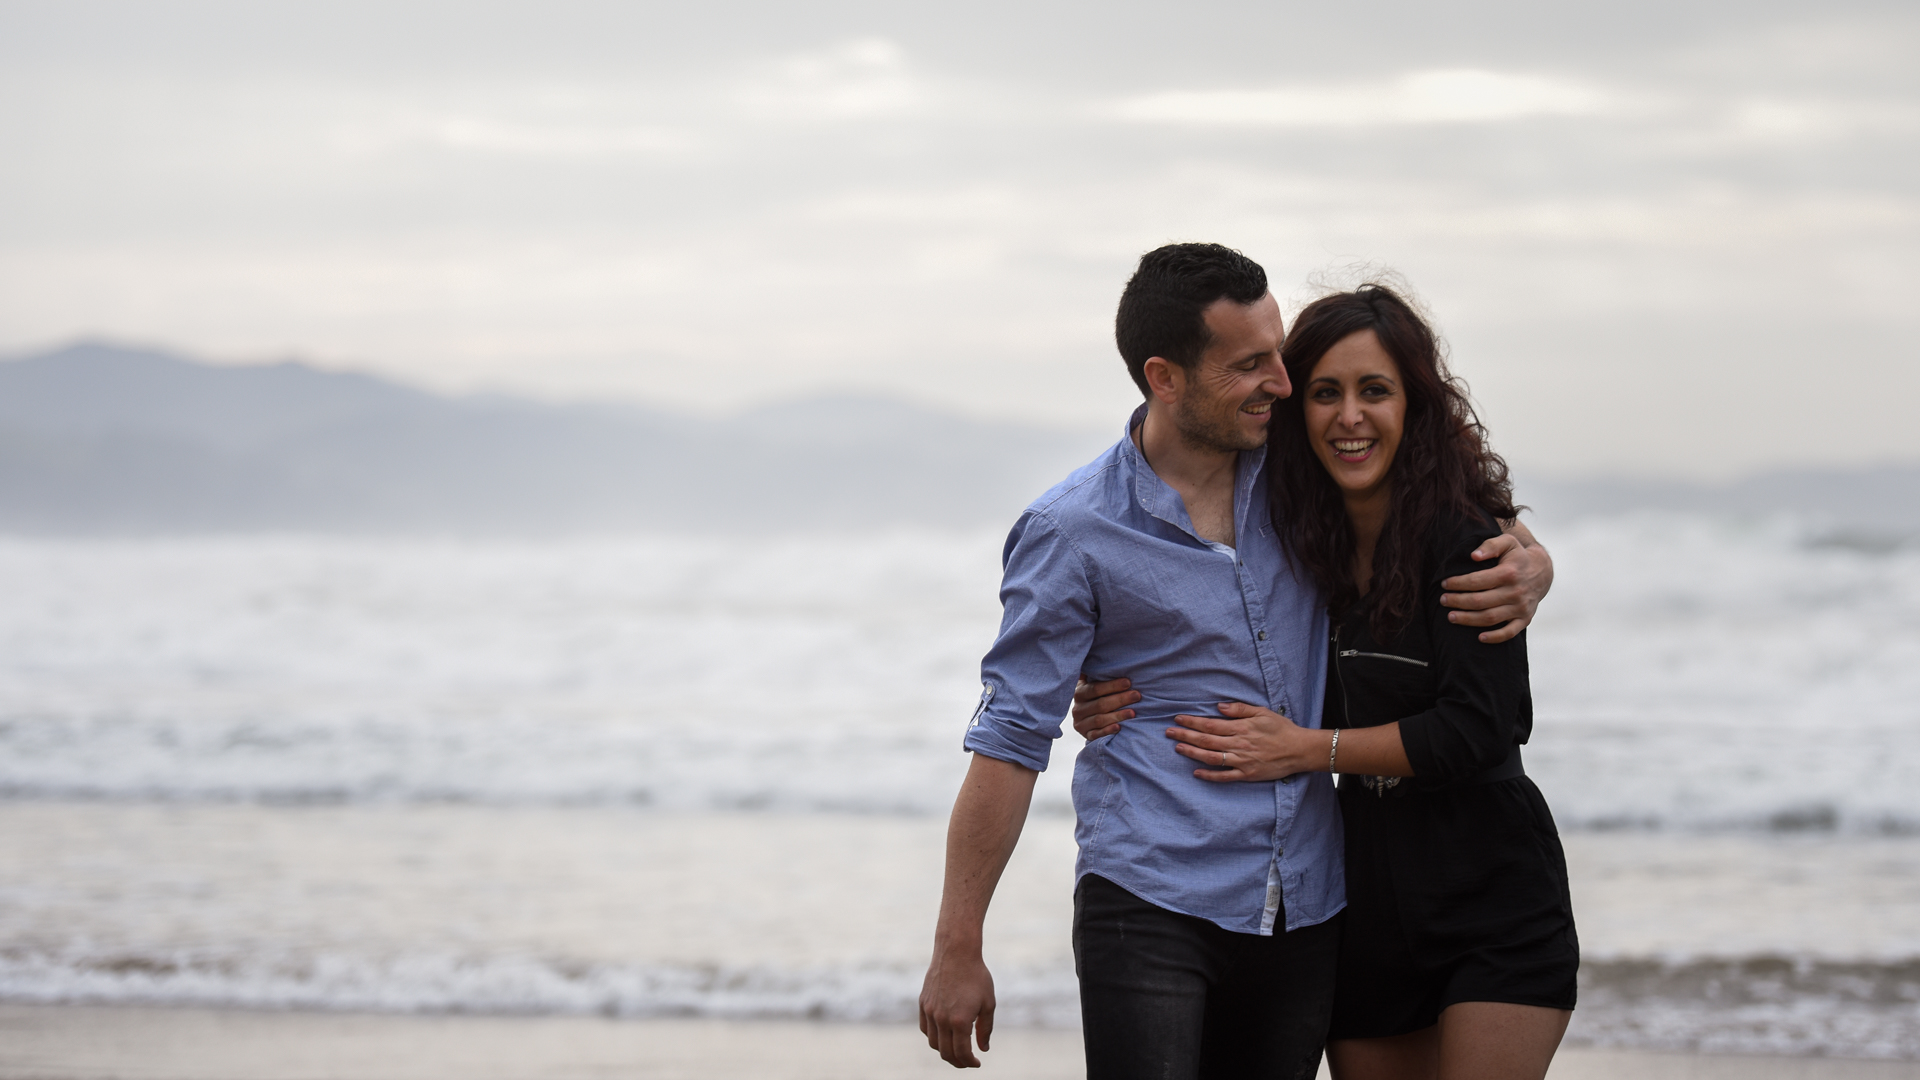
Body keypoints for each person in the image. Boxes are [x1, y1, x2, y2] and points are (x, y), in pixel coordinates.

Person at [918, 245, 1555, 1079]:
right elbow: (1010, 737)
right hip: (1149, 885)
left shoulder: (1299, 472)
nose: (1282, 385)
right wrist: (957, 944)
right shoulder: (1072, 533)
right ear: (1165, 377)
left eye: (1278, 357)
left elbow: (1430, 474)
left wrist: (1531, 558)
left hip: (1307, 901)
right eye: (1250, 365)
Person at [1072, 284, 1577, 1080]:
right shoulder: (1297, 539)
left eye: (1375, 391)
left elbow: (1478, 729)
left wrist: (1308, 750)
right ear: (1294, 408)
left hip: (1491, 885)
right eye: (1325, 393)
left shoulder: (1467, 545)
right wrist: (1117, 687)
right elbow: (1215, 632)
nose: (1350, 417)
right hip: (1360, 892)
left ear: (1413, 404)